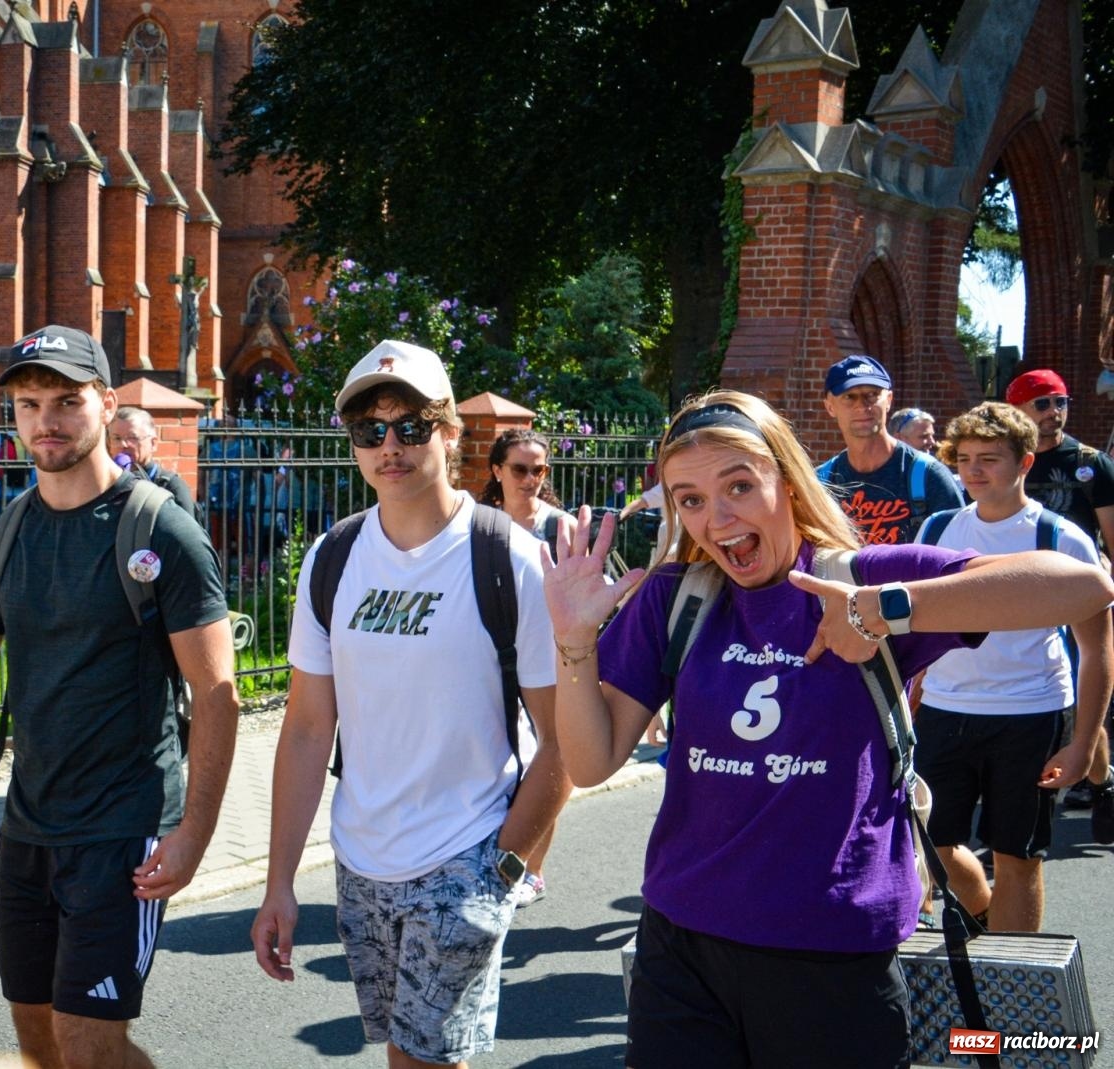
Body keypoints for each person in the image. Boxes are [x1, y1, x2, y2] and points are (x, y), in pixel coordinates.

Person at [541, 389, 1114, 1068]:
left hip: (834, 952)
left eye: (739, 486)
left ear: (786, 480)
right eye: (689, 499)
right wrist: (573, 640)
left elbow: (1082, 585)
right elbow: (592, 758)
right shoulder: (676, 597)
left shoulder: (859, 579)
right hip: (682, 946)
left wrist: (886, 611)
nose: (717, 519)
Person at [0, 325, 237, 1069]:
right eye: (29, 404)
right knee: (37, 1038)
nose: (46, 420)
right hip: (28, 829)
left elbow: (216, 693)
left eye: (66, 400)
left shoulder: (160, 531)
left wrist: (193, 835)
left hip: (124, 829)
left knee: (87, 1041)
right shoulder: (2, 536)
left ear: (104, 402)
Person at [251, 340, 571, 1068]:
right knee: (406, 1054)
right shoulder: (332, 558)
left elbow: (562, 741)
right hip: (360, 858)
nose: (388, 446)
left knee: (427, 1061)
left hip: (464, 855)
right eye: (370, 429)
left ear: (451, 432)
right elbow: (305, 728)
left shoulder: (508, 557)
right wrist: (278, 882)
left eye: (410, 426)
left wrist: (503, 872)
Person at [912, 401, 1112, 930]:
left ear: (1024, 463)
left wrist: (1084, 743)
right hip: (944, 710)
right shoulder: (936, 530)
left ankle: (1007, 994)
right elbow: (916, 629)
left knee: (1017, 858)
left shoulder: (1059, 539)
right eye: (966, 458)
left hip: (1031, 713)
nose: (974, 470)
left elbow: (1096, 650)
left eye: (990, 459)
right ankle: (982, 916)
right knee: (930, 844)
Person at [1007, 368, 1114, 839]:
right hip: (1016, 595)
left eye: (1061, 403)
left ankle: (1100, 779)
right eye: (1042, 404)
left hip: (1076, 597)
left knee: (1075, 692)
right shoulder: (1008, 461)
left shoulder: (1090, 463)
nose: (1054, 414)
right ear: (1018, 410)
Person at [478, 427, 579, 907]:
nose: (530, 479)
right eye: (519, 469)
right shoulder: (479, 528)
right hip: (495, 659)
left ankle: (532, 870)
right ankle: (492, 854)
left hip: (550, 658)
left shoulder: (561, 528)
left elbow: (583, 597)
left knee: (548, 756)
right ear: (497, 471)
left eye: (539, 470)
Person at [817, 355, 962, 544]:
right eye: (849, 397)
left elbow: (958, 555)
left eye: (872, 394)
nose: (862, 405)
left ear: (889, 400)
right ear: (830, 407)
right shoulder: (821, 483)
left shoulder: (927, 475)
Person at [111, 405, 200, 519]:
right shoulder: (103, 484)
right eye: (117, 438)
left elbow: (188, 533)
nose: (123, 445)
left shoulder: (171, 486)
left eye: (132, 438)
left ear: (153, 443)